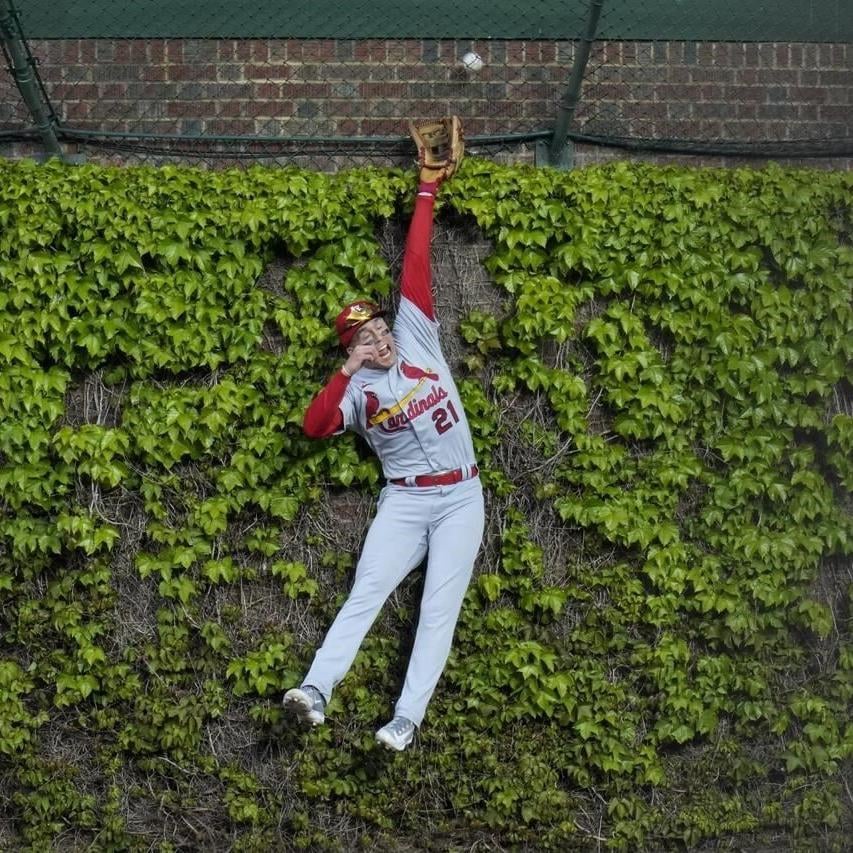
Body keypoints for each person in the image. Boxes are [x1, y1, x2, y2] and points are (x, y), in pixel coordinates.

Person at [283, 121, 484, 751]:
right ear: (353, 348)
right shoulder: (355, 390)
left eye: (378, 327)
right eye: (365, 335)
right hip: (405, 501)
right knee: (364, 595)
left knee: (436, 611)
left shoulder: (418, 338)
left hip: (461, 498)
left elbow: (416, 263)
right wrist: (346, 370)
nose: (379, 336)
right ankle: (315, 690)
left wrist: (427, 189)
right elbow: (314, 428)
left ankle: (406, 718)